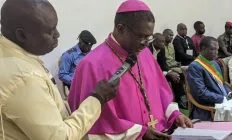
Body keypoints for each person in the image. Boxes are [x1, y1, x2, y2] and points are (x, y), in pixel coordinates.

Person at [68, 1, 193, 140]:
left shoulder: (145, 54)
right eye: (142, 37)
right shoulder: (90, 65)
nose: (146, 43)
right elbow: (93, 127)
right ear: (121, 29)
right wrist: (140, 133)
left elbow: (161, 94)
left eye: (149, 37)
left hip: (162, 133)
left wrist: (175, 114)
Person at [0, 0, 120, 139]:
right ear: (21, 35)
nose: (57, 34)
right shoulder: (24, 79)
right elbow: (60, 137)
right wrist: (98, 98)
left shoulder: (15, 54)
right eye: (49, 31)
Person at [187, 36, 232, 121]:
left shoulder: (215, 63)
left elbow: (222, 84)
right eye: (213, 49)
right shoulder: (195, 67)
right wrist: (223, 98)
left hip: (223, 102)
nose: (216, 53)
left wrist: (229, 93)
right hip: (209, 108)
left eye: (217, 49)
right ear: (203, 49)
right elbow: (201, 93)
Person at [148, 33, 187, 109]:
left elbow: (164, 64)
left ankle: (180, 100)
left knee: (176, 77)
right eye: (160, 42)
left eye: (163, 41)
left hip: (160, 72)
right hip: (149, 74)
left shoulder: (162, 49)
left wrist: (170, 73)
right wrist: (167, 73)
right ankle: (160, 102)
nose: (163, 44)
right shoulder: (147, 49)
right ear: (153, 41)